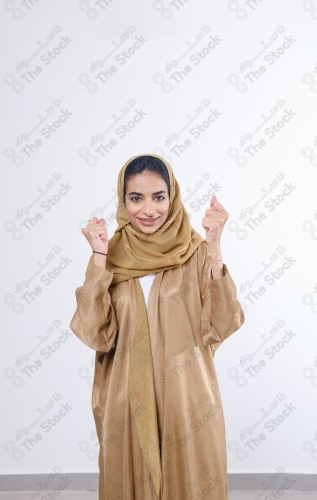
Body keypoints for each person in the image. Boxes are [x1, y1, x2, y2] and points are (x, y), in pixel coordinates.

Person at [70, 153, 245, 500]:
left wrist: (214, 247)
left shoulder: (194, 252)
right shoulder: (112, 256)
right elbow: (95, 334)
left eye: (158, 197)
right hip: (128, 404)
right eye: (136, 198)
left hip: (186, 403)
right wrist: (100, 257)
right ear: (123, 201)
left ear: (172, 197)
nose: (148, 210)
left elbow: (223, 323)